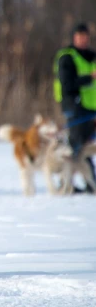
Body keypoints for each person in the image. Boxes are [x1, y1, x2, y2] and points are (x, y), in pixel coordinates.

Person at [54, 22, 96, 192]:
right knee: (75, 146)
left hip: (91, 107)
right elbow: (67, 84)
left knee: (85, 147)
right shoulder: (67, 57)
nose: (83, 40)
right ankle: (65, 183)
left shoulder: (92, 56)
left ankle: (89, 182)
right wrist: (90, 78)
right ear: (74, 38)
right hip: (74, 106)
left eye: (85, 37)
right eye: (79, 37)